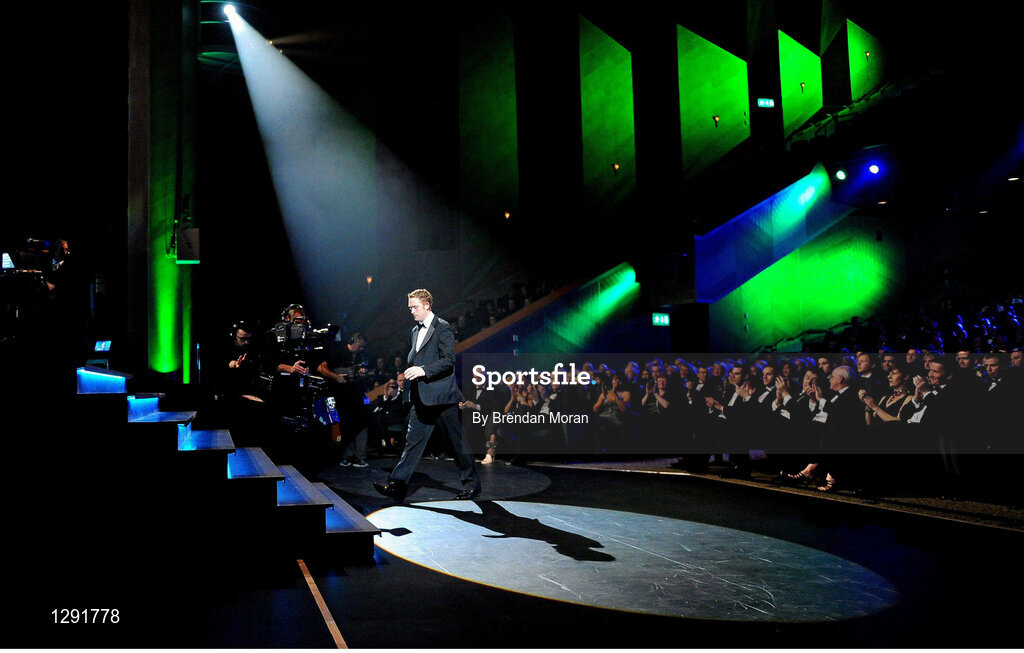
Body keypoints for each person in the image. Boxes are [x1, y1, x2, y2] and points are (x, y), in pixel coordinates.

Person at [373, 289, 481, 502]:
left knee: (457, 443)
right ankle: (397, 484)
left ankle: (472, 485)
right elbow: (414, 360)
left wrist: (423, 370)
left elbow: (449, 360)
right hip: (422, 398)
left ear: (427, 305)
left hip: (442, 398)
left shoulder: (443, 328)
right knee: (412, 443)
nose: (411, 311)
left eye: (415, 307)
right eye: (410, 307)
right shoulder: (414, 331)